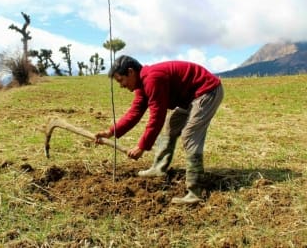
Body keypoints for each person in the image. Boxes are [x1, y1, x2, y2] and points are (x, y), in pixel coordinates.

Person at [95, 55, 224, 204]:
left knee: (190, 135)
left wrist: (142, 146)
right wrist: (111, 132)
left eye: (120, 80)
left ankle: (195, 191)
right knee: (172, 125)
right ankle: (159, 168)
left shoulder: (152, 79)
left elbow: (157, 117)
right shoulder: (142, 84)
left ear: (130, 72)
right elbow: (135, 112)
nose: (121, 85)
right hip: (191, 97)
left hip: (207, 91)